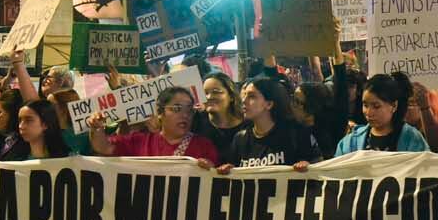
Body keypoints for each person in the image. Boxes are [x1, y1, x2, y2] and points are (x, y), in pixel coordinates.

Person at [88, 87, 219, 163]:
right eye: (177, 108)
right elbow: (104, 147)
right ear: (160, 112)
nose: (185, 115)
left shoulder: (204, 146)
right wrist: (97, 128)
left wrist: (211, 170)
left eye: (189, 110)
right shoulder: (138, 141)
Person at [219, 78, 321, 171]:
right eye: (244, 95)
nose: (244, 101)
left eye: (251, 96)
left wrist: (308, 166)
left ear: (269, 104)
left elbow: (318, 167)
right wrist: (228, 169)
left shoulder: (296, 134)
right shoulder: (240, 139)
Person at [334, 72, 430, 155]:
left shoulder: (412, 139)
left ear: (394, 106)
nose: (369, 112)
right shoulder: (351, 142)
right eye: (365, 105)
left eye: (376, 106)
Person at [196, 72, 248, 163]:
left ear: (231, 96)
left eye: (216, 92)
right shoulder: (196, 122)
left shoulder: (249, 125)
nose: (209, 97)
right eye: (205, 93)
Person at [0, 99, 71, 160]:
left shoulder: (67, 159)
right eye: (20, 120)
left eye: (28, 120)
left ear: (45, 123)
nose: (21, 126)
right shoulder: (13, 159)